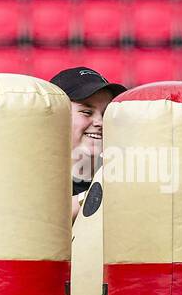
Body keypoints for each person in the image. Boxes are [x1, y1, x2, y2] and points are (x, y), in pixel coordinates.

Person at [49, 66, 125, 221]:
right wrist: (95, 197)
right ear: (56, 116)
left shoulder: (124, 173)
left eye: (106, 114)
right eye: (86, 112)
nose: (100, 122)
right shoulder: (33, 173)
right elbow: (37, 219)